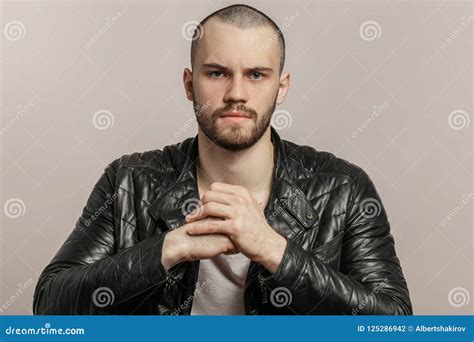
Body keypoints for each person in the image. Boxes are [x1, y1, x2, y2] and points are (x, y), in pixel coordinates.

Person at [33, 4, 412, 315]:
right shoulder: (129, 181)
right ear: (188, 83)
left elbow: (393, 321)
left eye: (257, 75)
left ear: (281, 87)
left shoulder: (342, 188)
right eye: (217, 73)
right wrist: (169, 249)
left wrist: (273, 248)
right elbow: (51, 304)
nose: (236, 93)